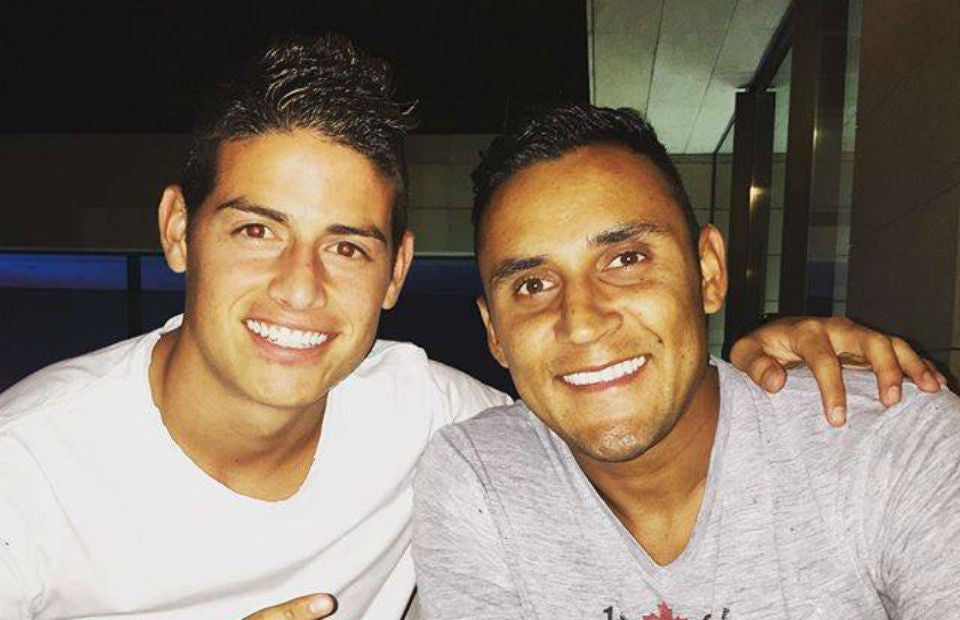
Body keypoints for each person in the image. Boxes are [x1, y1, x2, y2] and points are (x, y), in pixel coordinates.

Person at [0, 37, 941, 620]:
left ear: (397, 272)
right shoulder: (26, 469)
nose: (299, 287)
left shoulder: (436, 424)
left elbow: (599, 399)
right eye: (256, 231)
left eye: (347, 246)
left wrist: (755, 349)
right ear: (177, 231)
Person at [411, 104, 960, 619]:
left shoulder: (889, 441)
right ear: (495, 332)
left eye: (626, 259)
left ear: (708, 272)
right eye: (532, 285)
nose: (580, 322)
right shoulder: (481, 477)